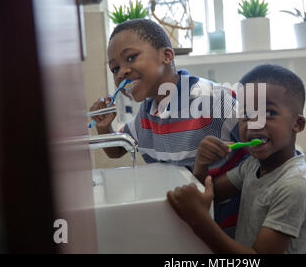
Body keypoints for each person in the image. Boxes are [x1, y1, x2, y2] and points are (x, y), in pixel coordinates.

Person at [89, 19, 247, 237]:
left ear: (167, 56)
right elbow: (117, 150)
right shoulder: (146, 112)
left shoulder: (212, 99)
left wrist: (212, 190)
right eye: (115, 68)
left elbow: (263, 148)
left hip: (229, 230)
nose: (121, 73)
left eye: (131, 58)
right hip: (190, 229)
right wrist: (104, 128)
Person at [167, 64, 306, 253]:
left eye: (269, 113)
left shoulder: (295, 186)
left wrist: (199, 220)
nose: (254, 124)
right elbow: (211, 194)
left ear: (297, 123)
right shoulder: (252, 165)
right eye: (246, 114)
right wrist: (201, 165)